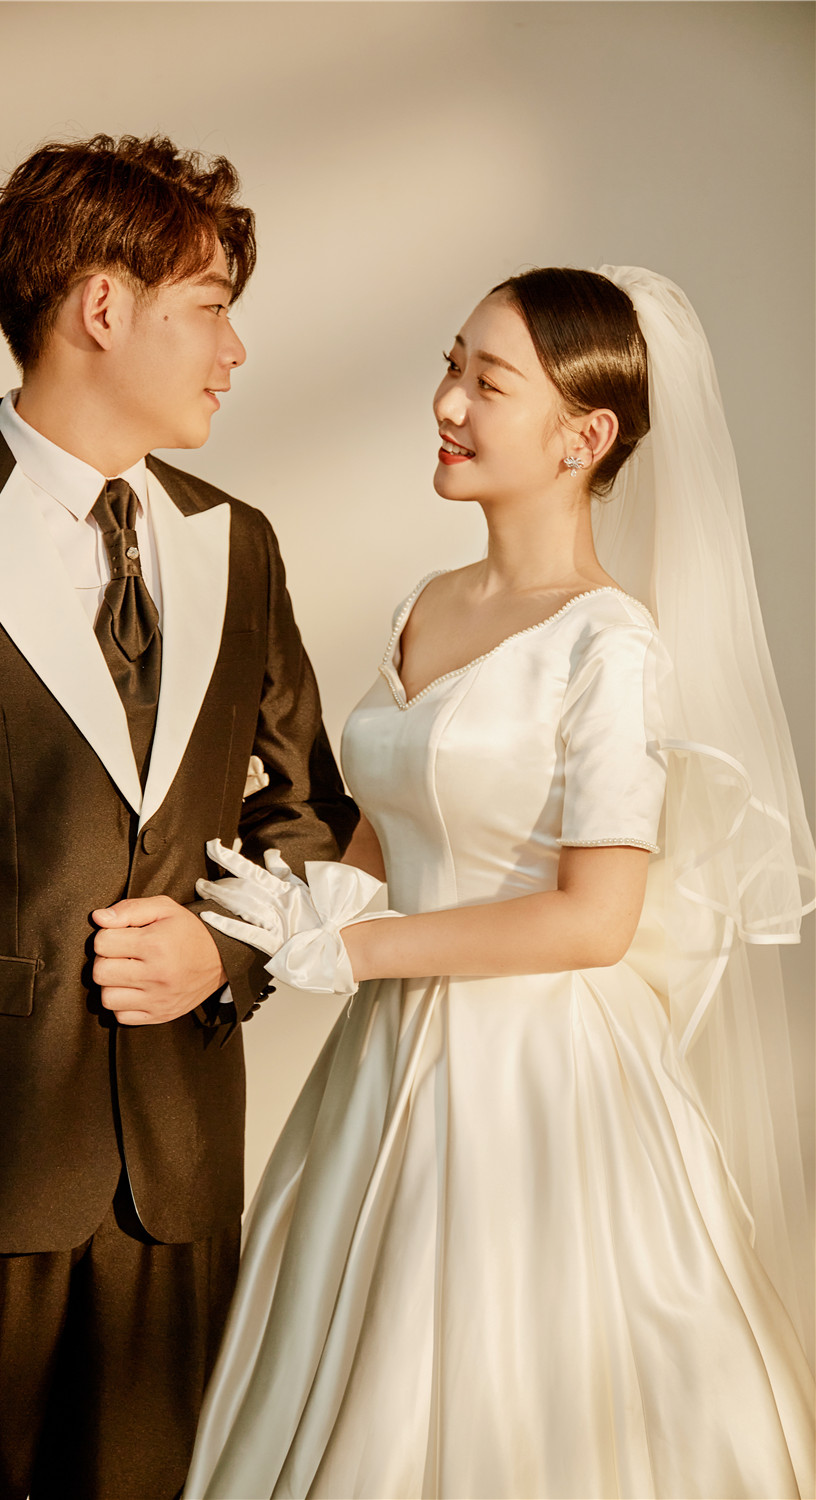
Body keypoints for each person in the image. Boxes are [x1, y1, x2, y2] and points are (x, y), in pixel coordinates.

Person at [185, 266, 815, 1498]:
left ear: (585, 437)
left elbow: (596, 920)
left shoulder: (610, 645)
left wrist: (353, 948)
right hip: (386, 1060)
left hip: (536, 1077)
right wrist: (320, 902)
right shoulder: (428, 605)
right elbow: (394, 825)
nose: (447, 403)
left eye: (489, 382)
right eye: (450, 366)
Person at [0, 133, 357, 1500]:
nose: (234, 351)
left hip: (176, 1187)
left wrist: (223, 952)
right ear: (102, 306)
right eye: (211, 308)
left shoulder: (237, 540)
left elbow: (312, 811)